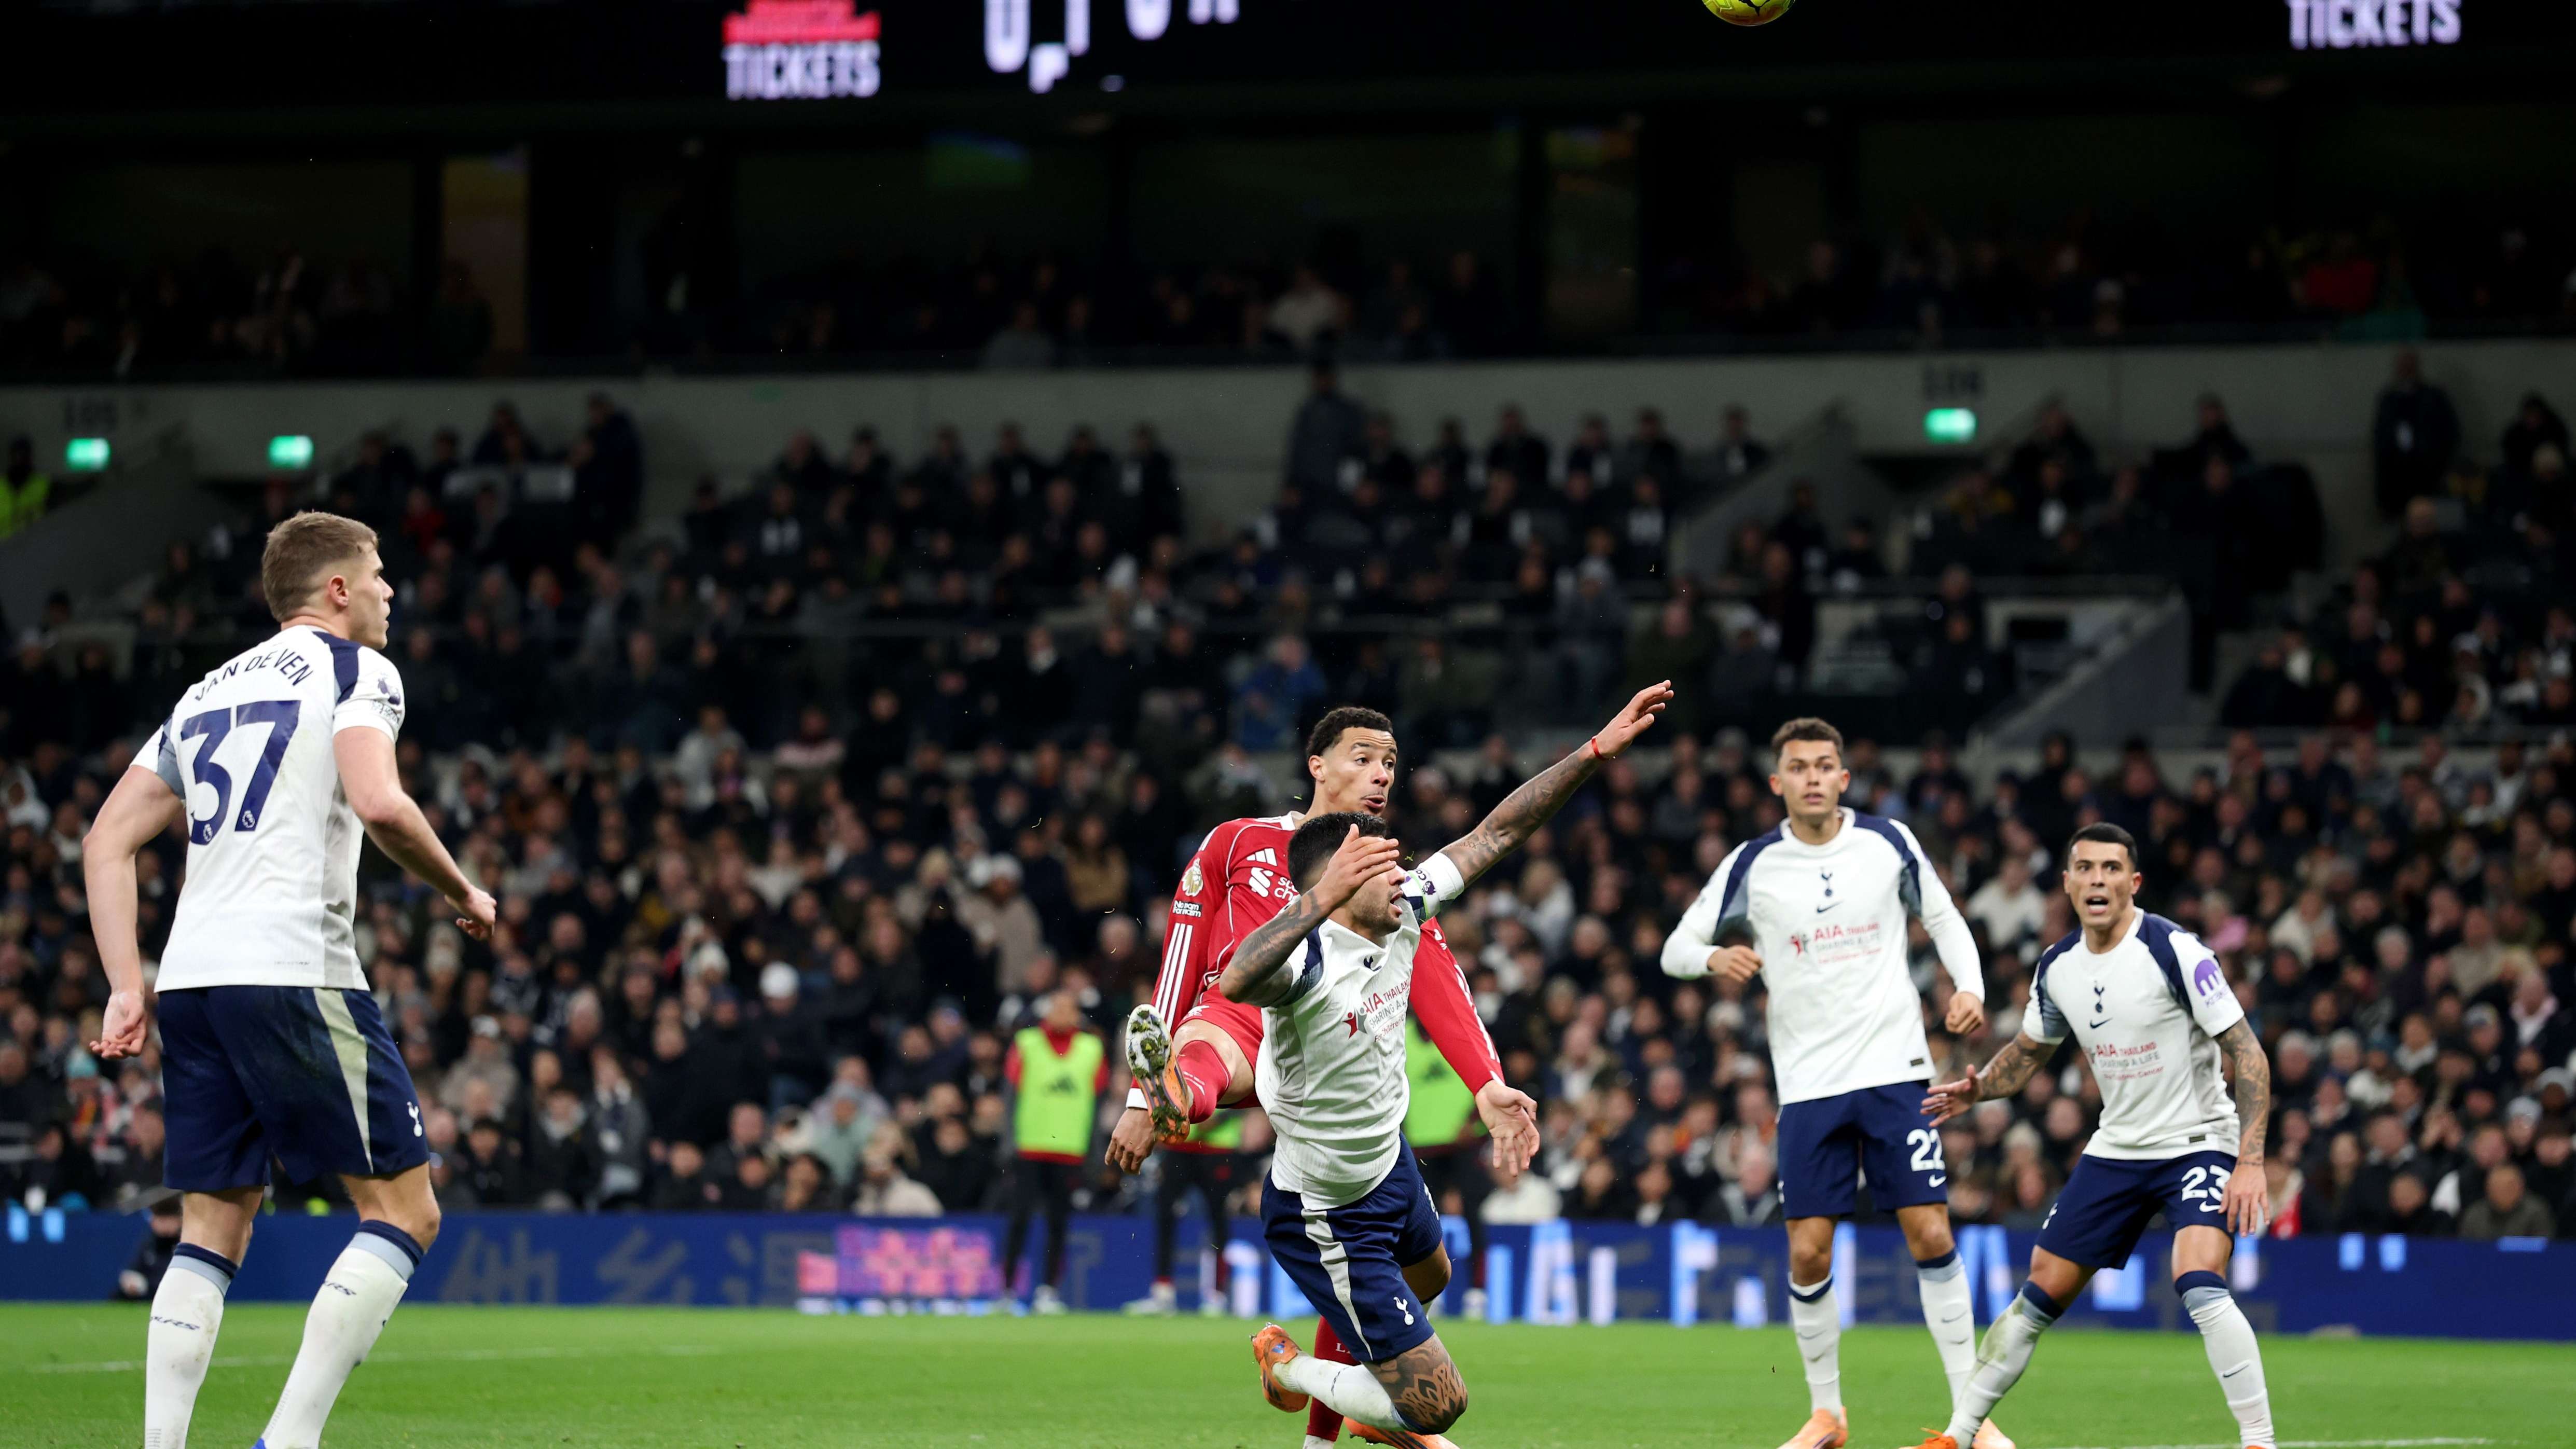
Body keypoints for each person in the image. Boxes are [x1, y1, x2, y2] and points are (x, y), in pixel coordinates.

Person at [81, 510, 497, 1449]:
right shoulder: (359, 671)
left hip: (191, 979)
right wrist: (462, 886)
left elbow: (105, 838)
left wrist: (123, 982)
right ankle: (289, 1441)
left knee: (209, 1228)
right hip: (293, 967)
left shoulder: (202, 694)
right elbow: (382, 801)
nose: (392, 590)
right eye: (380, 573)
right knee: (405, 1207)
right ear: (338, 589)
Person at [1228, 682, 1672, 1444]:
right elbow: (1237, 975)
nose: (1400, 874)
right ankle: (1291, 1369)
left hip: (1387, 1162)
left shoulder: (1403, 910)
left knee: (1431, 1277)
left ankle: (1366, 1404)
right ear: (1333, 887)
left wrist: (1594, 751)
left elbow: (1498, 832)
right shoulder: (1303, 966)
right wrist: (1320, 897)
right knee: (1437, 1403)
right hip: (1327, 1210)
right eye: (1375, 867)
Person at [1114, 706, 1509, 1449]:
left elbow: (1437, 977)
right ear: (1316, 765)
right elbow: (1183, 951)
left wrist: (1485, 1081)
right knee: (1211, 1041)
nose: (1381, 774)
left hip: (1328, 1065)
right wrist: (1144, 1096)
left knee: (1417, 1278)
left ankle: (1339, 1422)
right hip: (1240, 1017)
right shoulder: (1239, 841)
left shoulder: (1388, 879)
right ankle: (1176, 1095)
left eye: (1390, 762)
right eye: (1363, 757)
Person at [1660, 716, 2001, 1449]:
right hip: (1809, 1084)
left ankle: (1971, 1419)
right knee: (1809, 1250)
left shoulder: (1887, 843)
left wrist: (1968, 986)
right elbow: (1674, 947)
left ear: (1844, 778)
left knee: (1929, 1229)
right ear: (1776, 781)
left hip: (1894, 1071)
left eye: (1824, 765)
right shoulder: (1753, 863)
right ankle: (1826, 1414)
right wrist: (1712, 959)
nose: (1812, 777)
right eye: (1798, 766)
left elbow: (1942, 916)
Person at [1907, 824, 2276, 1449]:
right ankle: (1958, 1436)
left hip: (2197, 1141)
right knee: (2041, 1285)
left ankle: (2259, 1441)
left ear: (2132, 883)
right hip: (2118, 1147)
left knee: (2197, 1276)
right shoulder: (2058, 968)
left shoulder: (2173, 950)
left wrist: (2250, 1160)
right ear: (2068, 883)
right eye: (2086, 868)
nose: (2097, 880)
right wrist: (1979, 1091)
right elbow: (2029, 1052)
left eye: (2111, 869)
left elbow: (2248, 1053)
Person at [1000, 988, 1107, 1313]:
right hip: (1029, 1148)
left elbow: (1098, 1102)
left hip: (1070, 1151)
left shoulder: (1092, 1048)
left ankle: (1048, 1290)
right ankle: (1007, 1290)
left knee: (1058, 1224)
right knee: (1019, 1220)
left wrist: (1094, 1154)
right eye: (1058, 1007)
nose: (1063, 1014)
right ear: (1046, 1012)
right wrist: (1008, 1143)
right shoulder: (1026, 1044)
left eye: (1069, 1008)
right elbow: (1009, 1097)